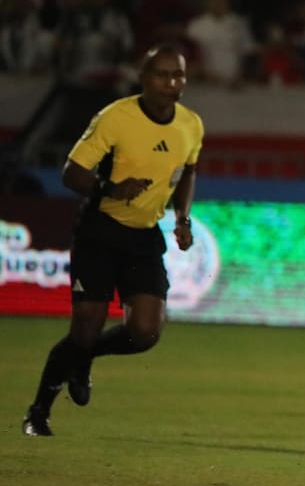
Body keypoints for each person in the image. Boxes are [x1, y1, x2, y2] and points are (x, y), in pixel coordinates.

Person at [22, 45, 203, 436]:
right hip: (100, 230)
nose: (171, 82)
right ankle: (38, 412)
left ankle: (84, 357)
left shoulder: (190, 125)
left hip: (144, 235)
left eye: (179, 75)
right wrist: (109, 187)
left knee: (146, 334)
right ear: (143, 77)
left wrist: (182, 216)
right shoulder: (116, 118)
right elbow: (72, 172)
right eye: (162, 74)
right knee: (84, 329)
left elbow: (188, 171)